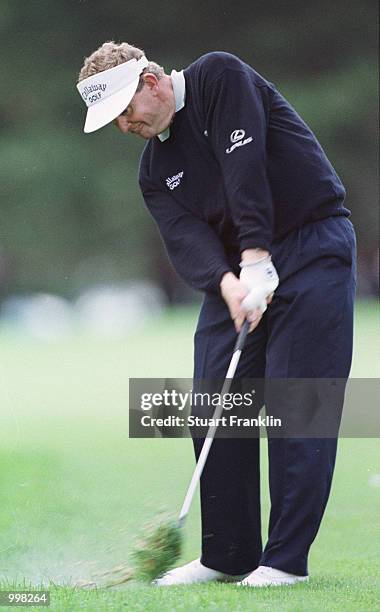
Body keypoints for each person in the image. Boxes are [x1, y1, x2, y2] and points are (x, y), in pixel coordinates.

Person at [76, 42, 356, 587]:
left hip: (311, 244)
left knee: (297, 401)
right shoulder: (155, 169)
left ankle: (285, 562)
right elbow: (187, 239)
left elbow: (243, 166)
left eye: (125, 111)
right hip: (237, 273)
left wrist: (256, 256)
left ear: (151, 81)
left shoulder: (218, 77)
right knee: (211, 401)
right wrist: (230, 282)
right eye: (112, 121)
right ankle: (227, 555)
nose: (124, 126)